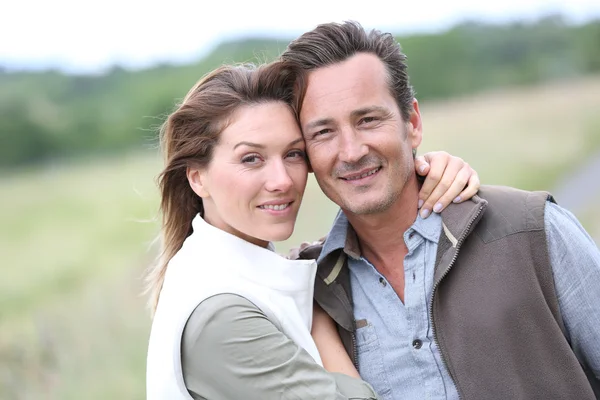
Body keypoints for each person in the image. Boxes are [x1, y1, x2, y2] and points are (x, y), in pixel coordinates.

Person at [282, 21, 600, 400]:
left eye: (367, 120)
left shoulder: (533, 231)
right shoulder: (308, 288)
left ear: (412, 123)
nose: (351, 152)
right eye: (323, 132)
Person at [144, 60, 481, 400]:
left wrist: (419, 170)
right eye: (251, 159)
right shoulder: (221, 316)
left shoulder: (238, 273)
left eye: (293, 154)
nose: (282, 181)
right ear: (197, 177)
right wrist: (317, 310)